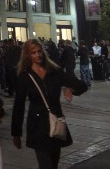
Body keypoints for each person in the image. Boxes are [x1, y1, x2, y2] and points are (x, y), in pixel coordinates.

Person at [11, 39, 87, 169]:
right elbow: (19, 105)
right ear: (28, 55)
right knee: (46, 165)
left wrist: (69, 89)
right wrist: (16, 133)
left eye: (39, 51)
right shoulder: (25, 76)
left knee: (53, 163)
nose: (38, 55)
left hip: (55, 123)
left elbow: (81, 85)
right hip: (37, 126)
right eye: (33, 52)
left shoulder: (54, 71)